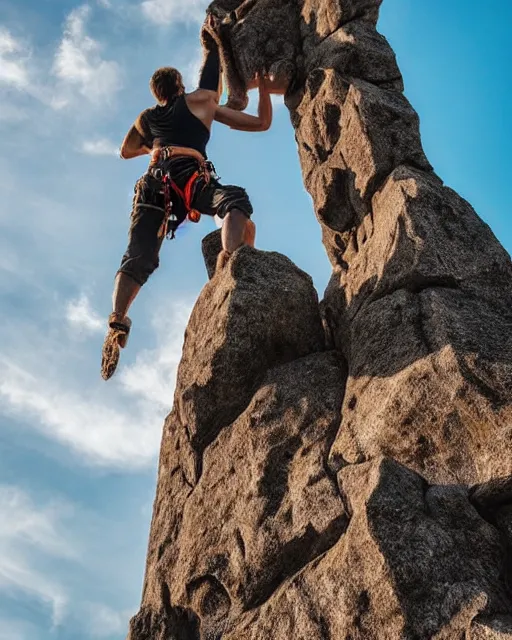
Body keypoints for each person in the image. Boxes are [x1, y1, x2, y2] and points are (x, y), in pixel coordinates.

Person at [101, 20, 273, 381]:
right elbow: (258, 122)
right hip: (191, 179)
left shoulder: (147, 118)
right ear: (179, 86)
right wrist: (215, 42)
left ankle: (118, 318)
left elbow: (124, 150)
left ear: (157, 94)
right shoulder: (200, 103)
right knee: (234, 201)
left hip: (154, 180)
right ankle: (229, 262)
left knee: (139, 255)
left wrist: (157, 147)